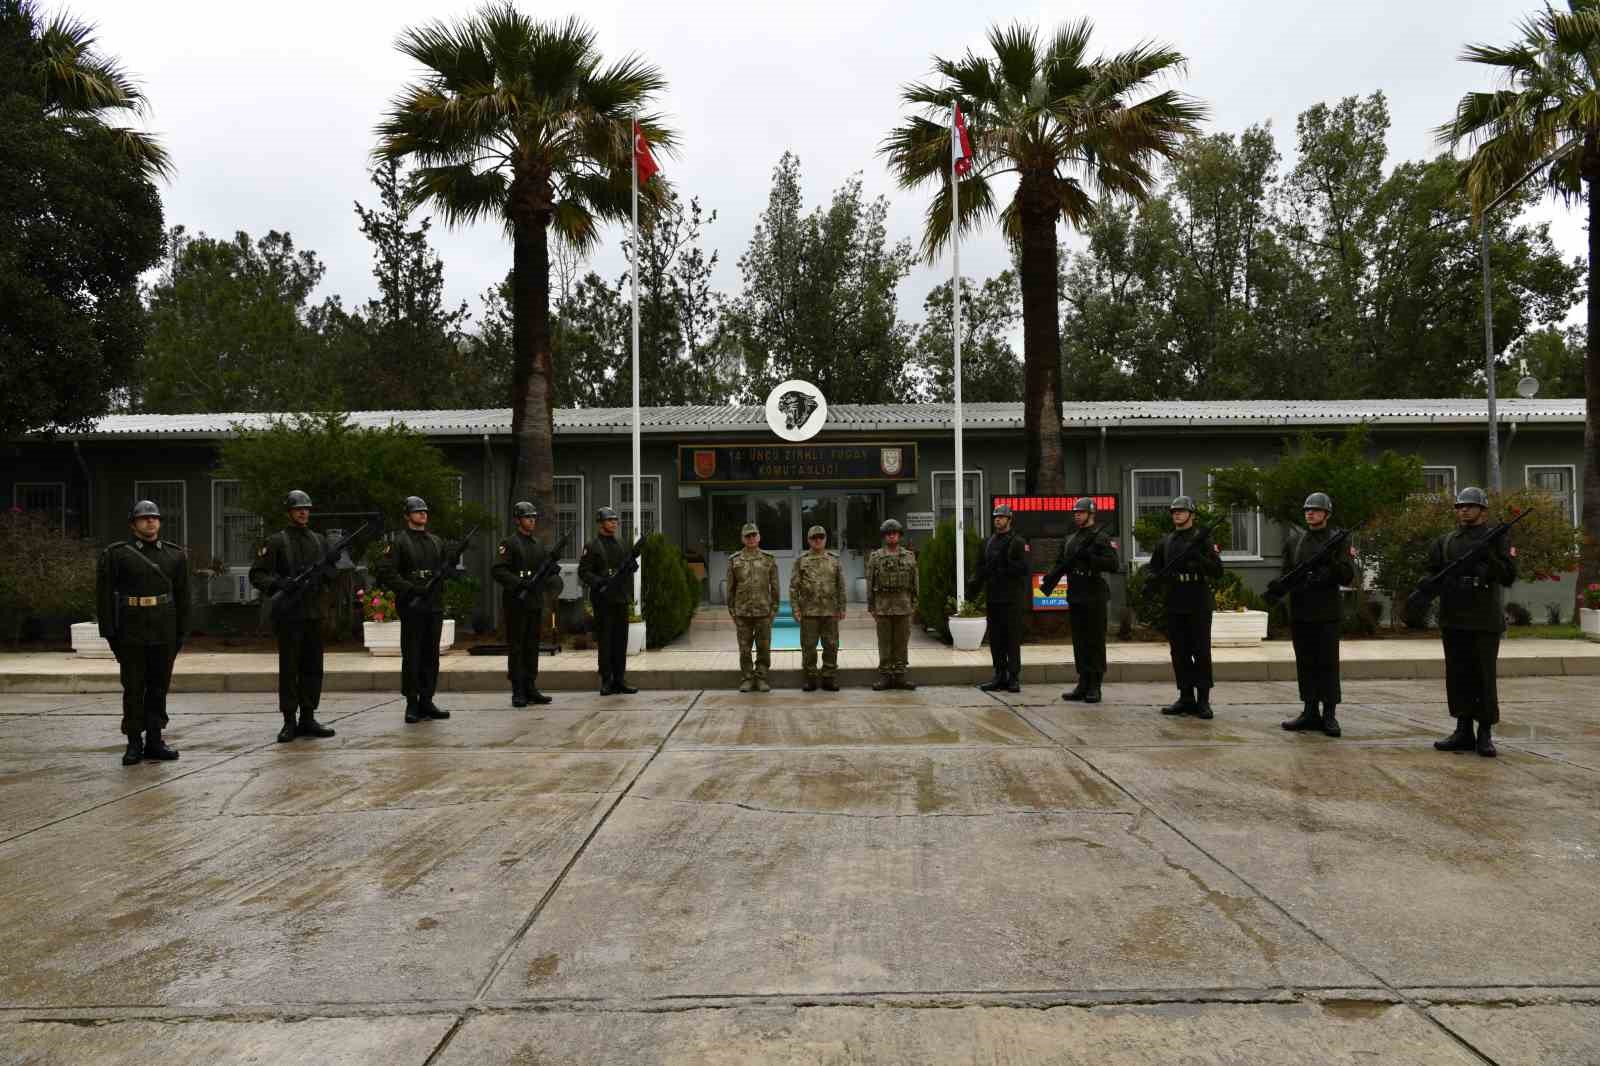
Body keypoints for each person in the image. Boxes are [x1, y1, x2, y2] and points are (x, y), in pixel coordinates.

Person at [95, 500, 189, 766]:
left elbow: (183, 597)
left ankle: (155, 740)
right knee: (134, 688)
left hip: (164, 629)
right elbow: (104, 597)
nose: (150, 522)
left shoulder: (175, 555)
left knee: (159, 687)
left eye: (154, 518)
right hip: (131, 629)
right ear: (133, 524)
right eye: (144, 518)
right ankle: (134, 742)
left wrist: (181, 631)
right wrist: (109, 633)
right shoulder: (117, 554)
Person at [1425, 486, 1517, 758]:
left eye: (1469, 505)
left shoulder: (1496, 538)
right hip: (1454, 615)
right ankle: (1462, 729)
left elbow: (1509, 576)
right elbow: (1432, 572)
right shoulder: (1445, 541)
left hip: (1483, 617)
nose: (1463, 509)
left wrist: (1487, 556)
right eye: (1460, 506)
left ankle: (1484, 733)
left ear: (1483, 511)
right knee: (1458, 675)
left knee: (1483, 677)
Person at [248, 490, 339, 743]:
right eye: (298, 508)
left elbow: (331, 576)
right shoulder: (277, 541)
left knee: (313, 668)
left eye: (306, 509)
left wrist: (332, 563)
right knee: (289, 669)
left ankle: (308, 717)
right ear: (289, 512)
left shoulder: (319, 540)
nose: (303, 512)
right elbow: (257, 574)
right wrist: (280, 584)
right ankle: (289, 720)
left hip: (313, 612)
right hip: (289, 614)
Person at [1279, 492, 1357, 738]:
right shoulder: (1295, 541)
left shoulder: (1339, 540)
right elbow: (1286, 574)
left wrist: (1329, 563)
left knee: (1327, 664)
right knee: (1305, 663)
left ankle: (1329, 714)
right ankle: (1309, 711)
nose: (1310, 513)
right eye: (1307, 510)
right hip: (1301, 609)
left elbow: (1346, 574)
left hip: (1326, 611)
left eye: (1315, 509)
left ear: (1326, 514)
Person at [376, 496, 451, 724]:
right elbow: (387, 572)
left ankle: (427, 700)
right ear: (407, 516)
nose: (422, 515)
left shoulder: (436, 541)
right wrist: (410, 589)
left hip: (433, 604)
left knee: (431, 654)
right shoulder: (398, 542)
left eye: (424, 511)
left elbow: (444, 569)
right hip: (411, 604)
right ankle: (412, 701)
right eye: (417, 512)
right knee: (412, 654)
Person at [1149, 496, 1223, 719]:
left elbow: (1217, 571)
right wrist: (1153, 580)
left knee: (1200, 651)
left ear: (1192, 515)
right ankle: (1185, 697)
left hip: (1198, 599)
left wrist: (1198, 557)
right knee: (1179, 652)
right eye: (1174, 511)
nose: (1177, 514)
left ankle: (1203, 700)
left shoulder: (1204, 540)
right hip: (1175, 598)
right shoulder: (1166, 541)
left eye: (1181, 511)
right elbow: (1154, 569)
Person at [1042, 497, 1121, 703]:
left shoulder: (1101, 537)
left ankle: (1095, 685)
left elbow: (1113, 564)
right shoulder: (1070, 539)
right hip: (1076, 593)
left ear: (1091, 514)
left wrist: (1091, 558)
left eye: (1081, 512)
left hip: (1094, 593)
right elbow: (1061, 563)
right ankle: (1083, 683)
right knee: (1080, 641)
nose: (1077, 515)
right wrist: (1051, 577)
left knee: (1095, 641)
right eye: (1075, 512)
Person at [491, 501, 562, 707]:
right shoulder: (509, 543)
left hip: (534, 602)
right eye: (527, 517)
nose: (531, 520)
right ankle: (518, 690)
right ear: (517, 520)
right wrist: (521, 583)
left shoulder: (537, 544)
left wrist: (552, 569)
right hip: (516, 602)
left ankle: (531, 686)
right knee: (517, 647)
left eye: (533, 517)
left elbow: (542, 570)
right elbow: (498, 570)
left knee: (532, 646)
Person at [967, 503, 1030, 693]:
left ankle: (1013, 677)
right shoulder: (987, 543)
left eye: (1001, 517)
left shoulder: (1018, 542)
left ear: (1009, 520)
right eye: (996, 517)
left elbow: (1025, 568)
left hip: (1012, 598)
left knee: (1012, 640)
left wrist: (1006, 566)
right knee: (996, 640)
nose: (998, 520)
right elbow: (979, 568)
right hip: (994, 596)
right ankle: (999, 675)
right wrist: (975, 583)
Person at [577, 506, 637, 695]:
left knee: (621, 640)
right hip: (603, 600)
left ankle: (620, 678)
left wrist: (631, 564)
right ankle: (606, 679)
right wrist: (599, 582)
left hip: (620, 598)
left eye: (615, 520)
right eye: (610, 520)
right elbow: (583, 572)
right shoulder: (592, 545)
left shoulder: (621, 543)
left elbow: (630, 567)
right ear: (601, 523)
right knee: (605, 640)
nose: (614, 523)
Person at [790, 524, 846, 692]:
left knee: (831, 645)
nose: (818, 540)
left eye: (821, 537)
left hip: (830, 611)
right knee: (809, 646)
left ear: (825, 539)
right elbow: (794, 587)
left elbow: (840, 586)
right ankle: (810, 678)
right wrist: (795, 609)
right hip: (809, 612)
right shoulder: (801, 561)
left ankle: (829, 678)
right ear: (809, 540)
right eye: (814, 538)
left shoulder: (834, 560)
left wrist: (842, 607)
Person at [866, 518, 919, 691]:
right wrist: (871, 606)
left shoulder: (909, 556)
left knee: (901, 643)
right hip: (883, 607)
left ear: (899, 536)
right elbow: (870, 582)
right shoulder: (875, 557)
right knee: (884, 643)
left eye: (894, 533)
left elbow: (915, 582)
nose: (891, 537)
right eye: (888, 534)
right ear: (884, 536)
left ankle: (901, 675)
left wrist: (915, 605)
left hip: (904, 607)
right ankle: (885, 677)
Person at [727, 522, 780, 692]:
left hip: (763, 611)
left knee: (763, 648)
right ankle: (747, 679)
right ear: (742, 538)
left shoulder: (768, 559)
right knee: (745, 649)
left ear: (759, 537)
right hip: (742, 612)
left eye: (753, 535)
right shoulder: (734, 560)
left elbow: (775, 587)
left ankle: (762, 678)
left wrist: (773, 610)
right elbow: (730, 589)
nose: (751, 538)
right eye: (747, 536)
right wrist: (733, 612)